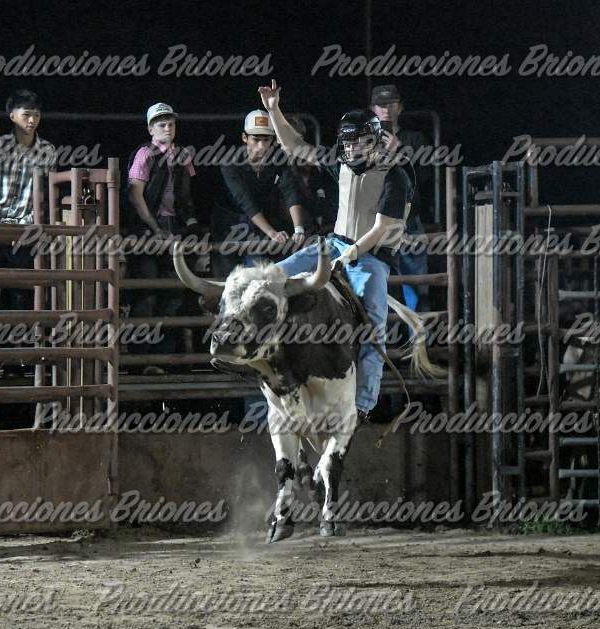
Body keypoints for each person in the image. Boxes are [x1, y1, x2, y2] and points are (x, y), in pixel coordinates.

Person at [258, 80, 411, 421]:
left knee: (373, 327)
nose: (351, 147)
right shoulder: (340, 161)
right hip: (334, 244)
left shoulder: (394, 176)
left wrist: (350, 255)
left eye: (358, 140)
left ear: (374, 139)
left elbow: (381, 228)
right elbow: (294, 145)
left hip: (370, 258)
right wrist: (274, 110)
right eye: (347, 140)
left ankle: (364, 403)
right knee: (271, 275)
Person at [125, 102, 197, 375]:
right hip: (147, 227)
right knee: (147, 294)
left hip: (173, 226)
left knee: (174, 294)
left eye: (171, 123)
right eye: (162, 124)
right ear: (151, 129)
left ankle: (162, 358)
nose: (168, 128)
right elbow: (135, 195)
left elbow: (186, 195)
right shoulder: (145, 154)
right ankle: (140, 361)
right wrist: (154, 228)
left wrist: (190, 224)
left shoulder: (183, 155)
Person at [0, 89, 56, 311]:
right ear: (12, 116)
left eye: (36, 115)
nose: (32, 120)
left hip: (25, 232)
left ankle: (19, 333)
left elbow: (46, 195)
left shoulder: (47, 150)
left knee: (22, 295)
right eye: (26, 114)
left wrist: (28, 224)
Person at [210, 110, 306, 278]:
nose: (261, 146)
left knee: (254, 269)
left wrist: (299, 229)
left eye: (266, 140)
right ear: (244, 138)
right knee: (225, 277)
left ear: (272, 140)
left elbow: (290, 190)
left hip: (257, 222)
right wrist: (272, 232)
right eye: (256, 139)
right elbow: (245, 201)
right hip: (227, 222)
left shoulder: (279, 159)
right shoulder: (229, 161)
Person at [371, 84, 429, 311]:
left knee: (416, 286)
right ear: (373, 109)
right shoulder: (365, 141)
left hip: (408, 220)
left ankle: (418, 332)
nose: (386, 110)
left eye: (391, 104)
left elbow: (424, 177)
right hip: (373, 223)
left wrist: (400, 151)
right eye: (381, 105)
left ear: (400, 107)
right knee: (374, 286)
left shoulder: (415, 139)